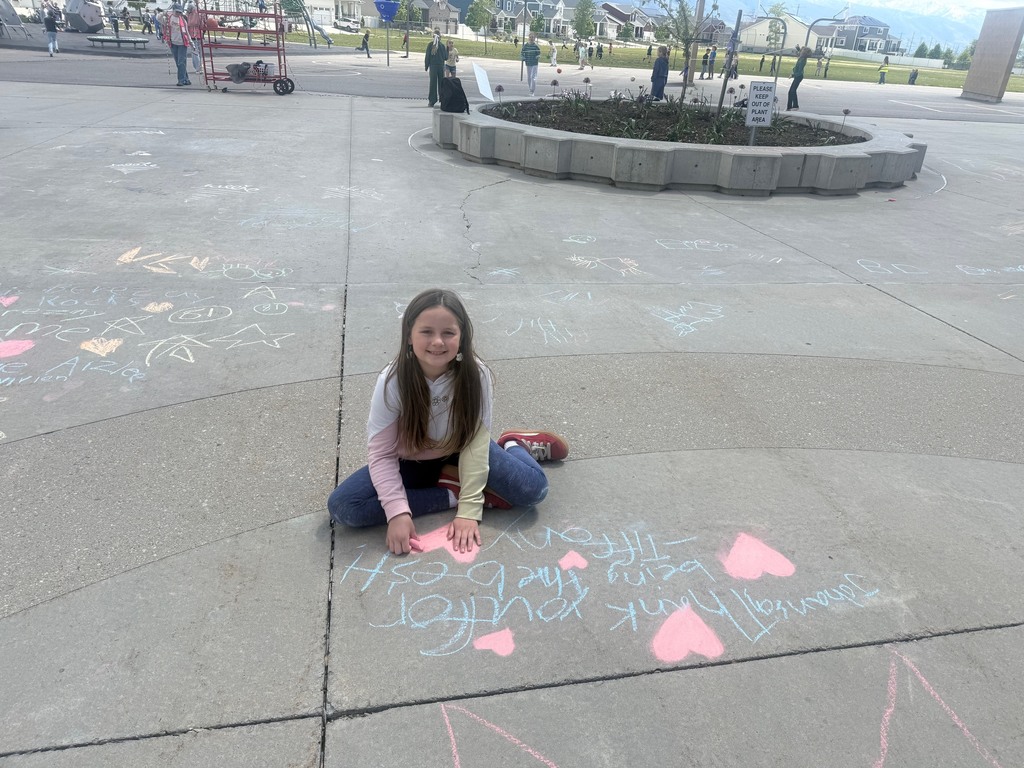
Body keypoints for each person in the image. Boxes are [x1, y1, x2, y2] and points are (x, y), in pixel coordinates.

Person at [327, 288, 569, 556]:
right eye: (427, 332)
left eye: (448, 333)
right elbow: (382, 454)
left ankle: (514, 445)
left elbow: (476, 443)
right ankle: (450, 490)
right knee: (345, 506)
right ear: (409, 334)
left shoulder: (476, 374)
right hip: (413, 460)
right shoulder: (392, 381)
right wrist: (396, 512)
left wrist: (469, 510)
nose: (438, 342)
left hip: (465, 447)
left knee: (534, 492)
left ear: (462, 336)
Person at [162, 3, 192, 86]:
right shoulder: (168, 18)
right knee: (179, 63)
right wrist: (163, 13)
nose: (178, 14)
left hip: (182, 43)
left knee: (181, 62)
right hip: (172, 43)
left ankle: (181, 80)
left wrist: (191, 43)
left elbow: (186, 32)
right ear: (173, 11)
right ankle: (186, 79)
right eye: (177, 12)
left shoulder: (183, 20)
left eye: (180, 12)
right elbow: (158, 18)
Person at [424, 30, 447, 106]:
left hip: (433, 66)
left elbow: (427, 56)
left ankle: (432, 100)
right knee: (441, 84)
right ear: (440, 37)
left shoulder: (430, 45)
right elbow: (445, 57)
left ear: (433, 37)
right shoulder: (442, 46)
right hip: (440, 66)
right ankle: (443, 100)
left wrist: (426, 66)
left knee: (433, 83)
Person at [787, 46, 811, 110]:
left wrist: (792, 75)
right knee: (792, 91)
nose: (800, 51)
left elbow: (800, 72)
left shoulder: (802, 60)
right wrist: (798, 48)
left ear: (803, 53)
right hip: (797, 76)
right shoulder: (801, 58)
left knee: (792, 91)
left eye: (802, 51)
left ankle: (794, 106)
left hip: (798, 76)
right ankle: (791, 106)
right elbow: (799, 53)